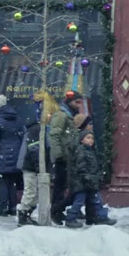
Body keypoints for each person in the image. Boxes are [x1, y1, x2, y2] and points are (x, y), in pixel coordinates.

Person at [64, 129, 117, 228]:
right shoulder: (81, 151)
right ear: (81, 140)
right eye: (88, 138)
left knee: (96, 201)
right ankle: (71, 218)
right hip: (82, 183)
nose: (91, 140)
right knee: (80, 201)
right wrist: (86, 177)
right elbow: (81, 166)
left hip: (90, 182)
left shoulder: (90, 151)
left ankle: (99, 217)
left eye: (92, 138)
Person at [0, 95, 25, 217]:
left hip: (2, 157)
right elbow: (22, 137)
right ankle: (12, 207)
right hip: (16, 156)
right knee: (12, 182)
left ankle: (3, 208)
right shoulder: (18, 119)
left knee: (3, 182)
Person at [48, 92, 83, 225]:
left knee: (67, 184)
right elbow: (54, 135)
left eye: (80, 102)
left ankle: (61, 209)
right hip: (63, 157)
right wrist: (59, 155)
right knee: (60, 185)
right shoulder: (61, 115)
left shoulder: (69, 115)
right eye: (76, 102)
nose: (79, 105)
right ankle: (56, 211)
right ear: (69, 102)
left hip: (69, 156)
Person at [15, 122, 44, 226]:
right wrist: (38, 165)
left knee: (33, 192)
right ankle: (23, 214)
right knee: (31, 191)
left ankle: (26, 214)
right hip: (31, 166)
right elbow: (34, 148)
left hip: (31, 165)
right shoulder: (37, 129)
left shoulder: (36, 128)